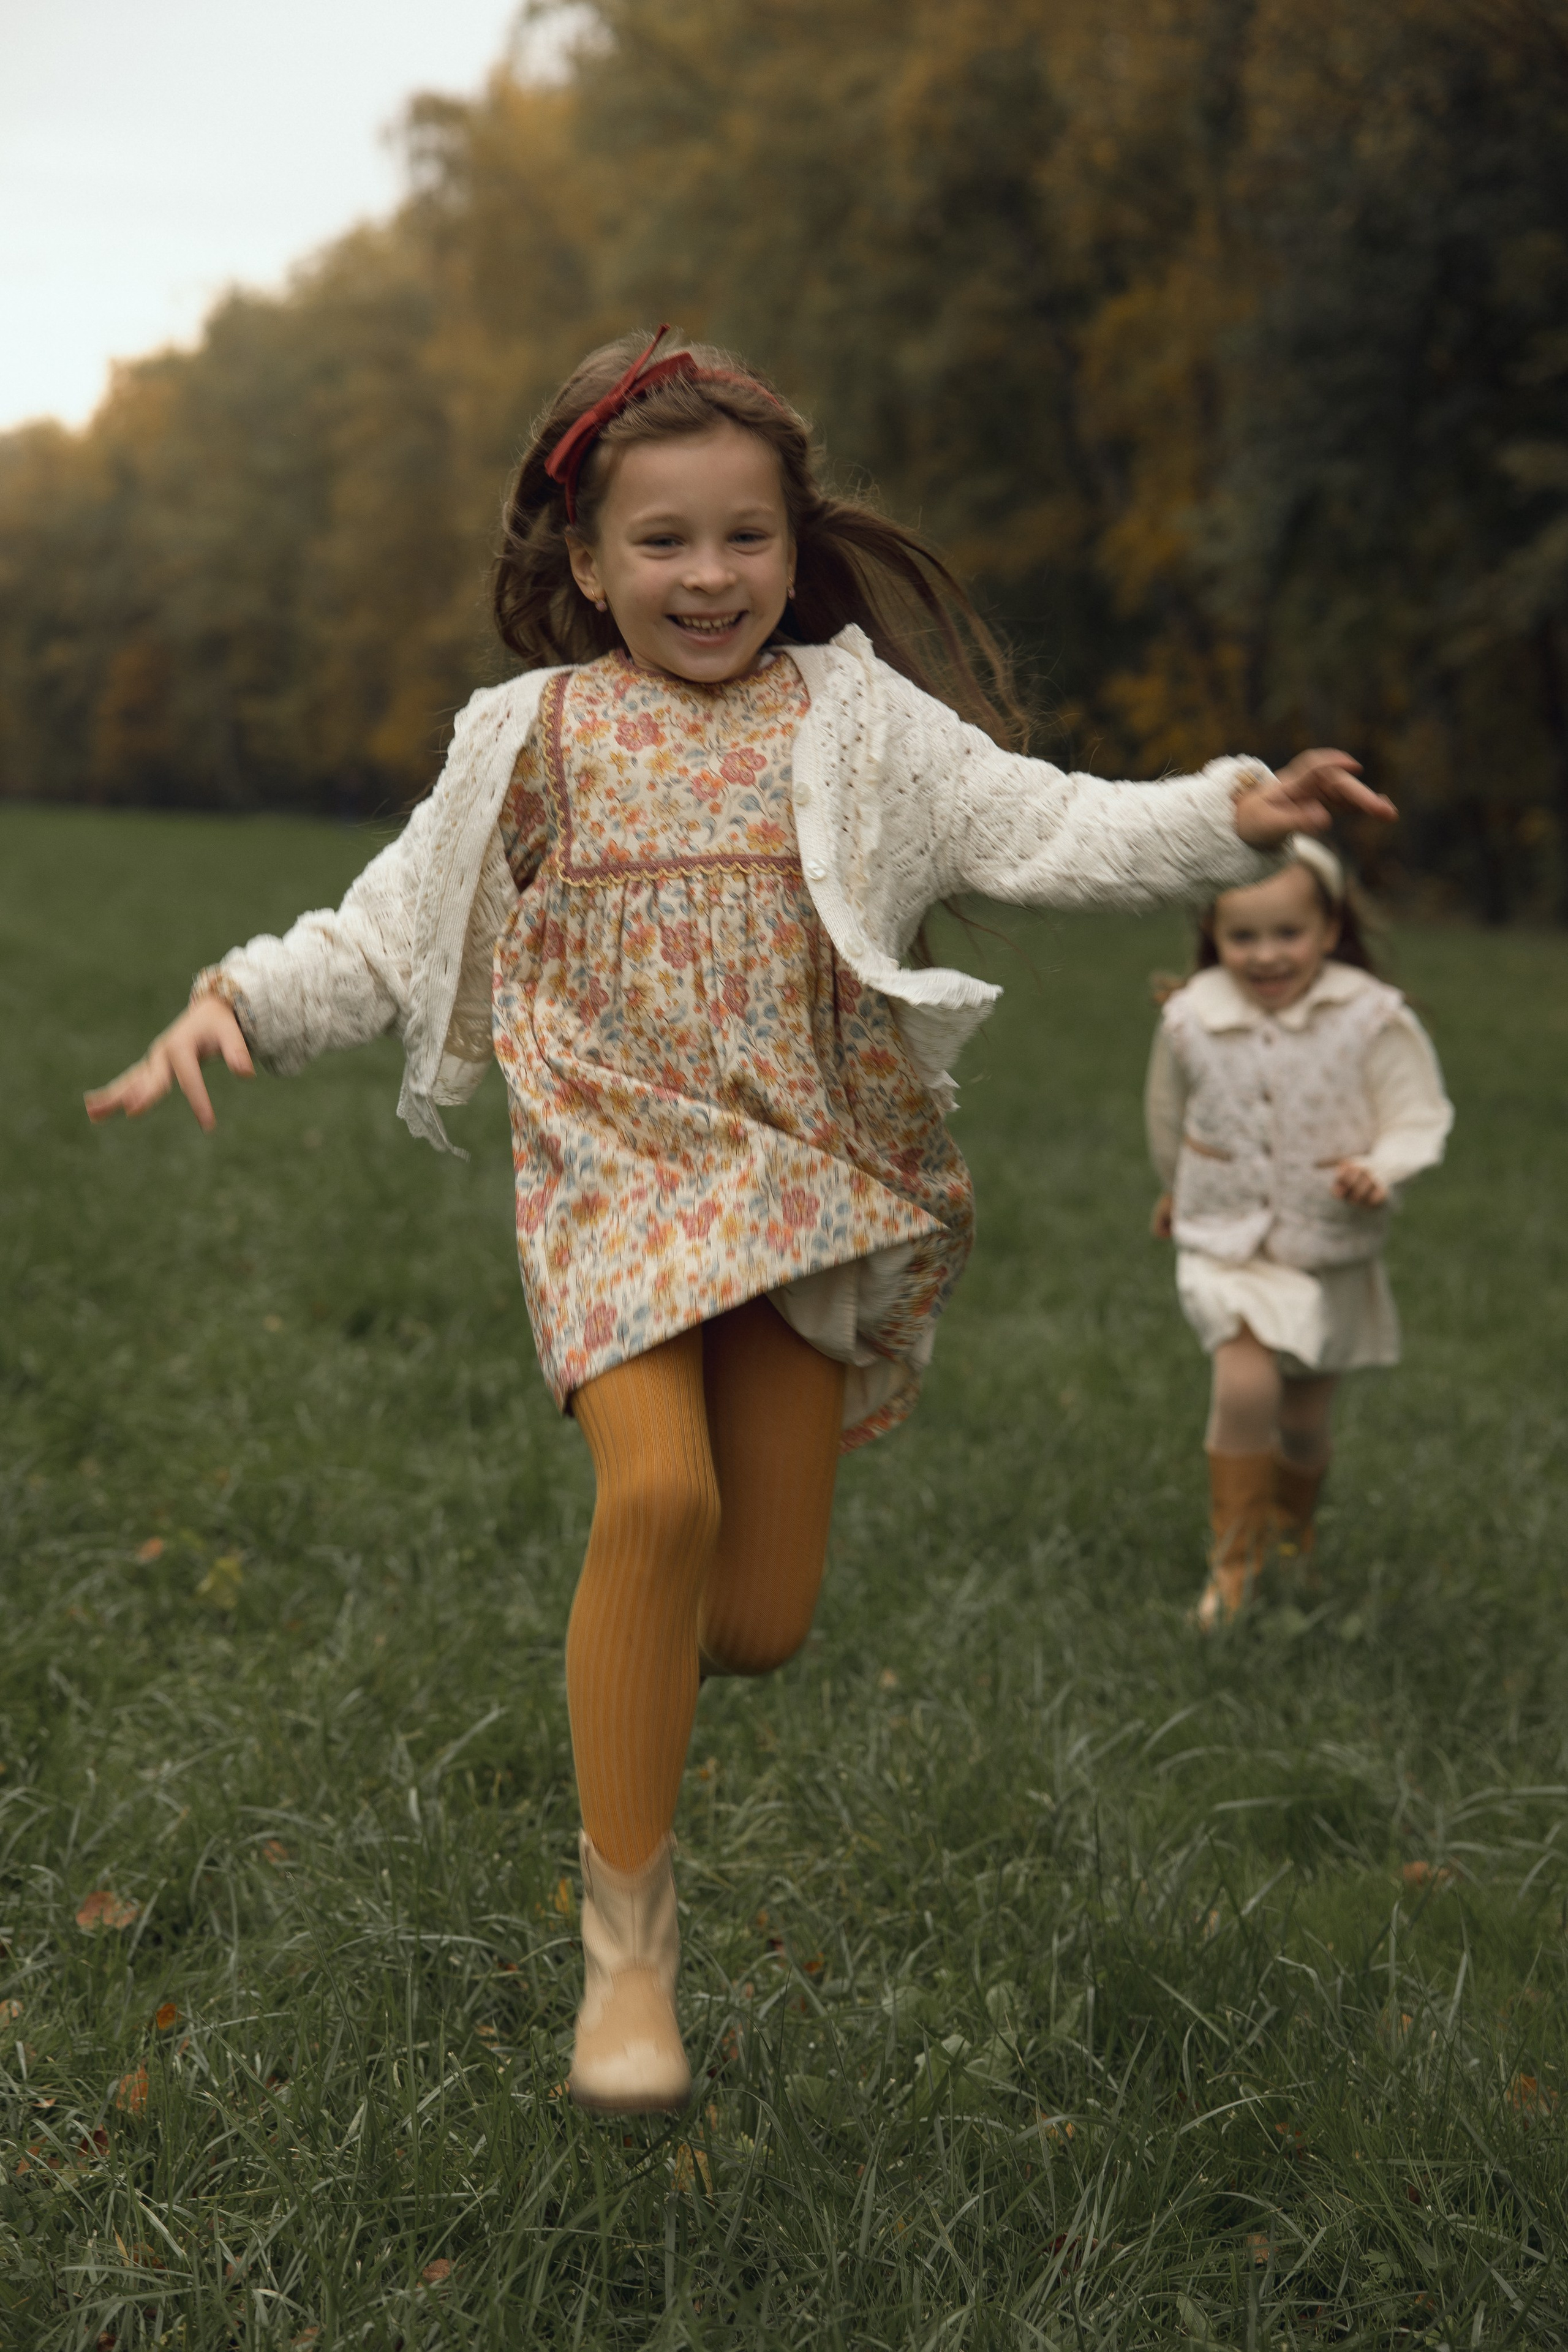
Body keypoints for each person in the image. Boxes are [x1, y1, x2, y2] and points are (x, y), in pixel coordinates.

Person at [86, 327, 1393, 2113]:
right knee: (659, 1494)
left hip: (798, 1188)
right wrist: (232, 1004)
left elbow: (1045, 824)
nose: (708, 579)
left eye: (744, 539)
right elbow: (390, 933)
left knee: (759, 1618)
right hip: (614, 1177)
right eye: (663, 543)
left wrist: (1224, 814)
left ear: (796, 540)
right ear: (584, 560)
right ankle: (628, 1961)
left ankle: (643, 1661)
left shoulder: (854, 725)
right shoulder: (530, 737)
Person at [1145, 837, 1452, 1629]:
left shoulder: (1370, 1018)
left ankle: (1293, 1534)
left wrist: (1380, 1169)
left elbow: (1415, 1114)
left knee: (1306, 1421)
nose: (1267, 955)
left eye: (1289, 934)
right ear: (1214, 935)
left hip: (1328, 1244)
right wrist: (1175, 1189)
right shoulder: (1192, 1018)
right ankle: (1233, 1571)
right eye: (1243, 937)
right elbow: (1170, 1117)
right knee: (1245, 1383)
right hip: (1228, 1241)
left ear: (1329, 928)